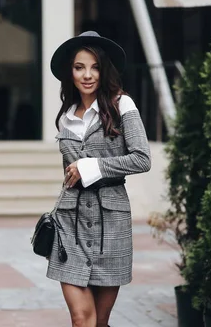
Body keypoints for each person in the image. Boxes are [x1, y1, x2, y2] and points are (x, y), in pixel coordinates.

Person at [46, 31, 151, 327]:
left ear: (104, 70)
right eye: (80, 67)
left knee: (99, 322)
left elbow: (142, 158)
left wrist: (91, 167)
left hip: (110, 224)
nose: (88, 75)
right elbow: (69, 173)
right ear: (71, 71)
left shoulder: (122, 105)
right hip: (70, 223)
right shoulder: (66, 115)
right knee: (82, 319)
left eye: (95, 67)